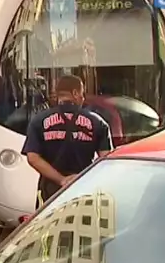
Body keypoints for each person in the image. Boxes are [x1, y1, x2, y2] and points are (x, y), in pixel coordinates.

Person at [22, 75, 114, 208]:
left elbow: (32, 158)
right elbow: (105, 160)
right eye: (82, 93)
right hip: (84, 191)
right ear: (75, 93)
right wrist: (82, 177)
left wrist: (61, 180)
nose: (83, 98)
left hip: (50, 193)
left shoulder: (39, 121)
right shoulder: (98, 123)